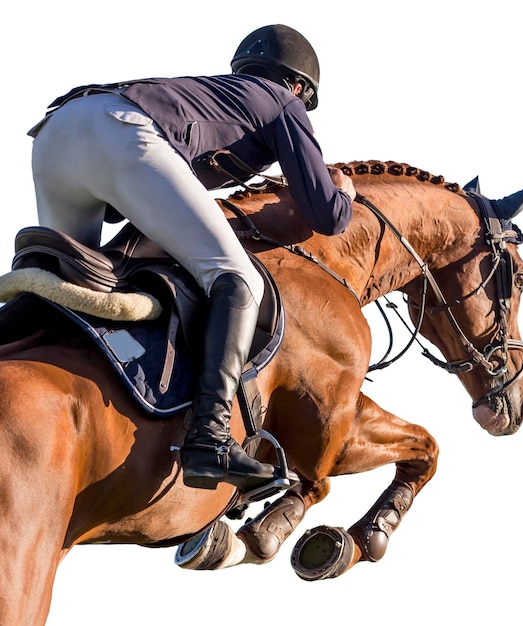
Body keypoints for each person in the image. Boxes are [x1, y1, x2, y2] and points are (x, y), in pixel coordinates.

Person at [28, 24, 355, 493]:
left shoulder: (219, 95)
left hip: (58, 131)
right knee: (240, 278)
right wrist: (345, 195)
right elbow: (326, 214)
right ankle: (211, 439)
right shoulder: (284, 102)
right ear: (299, 87)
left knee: (67, 289)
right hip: (123, 131)